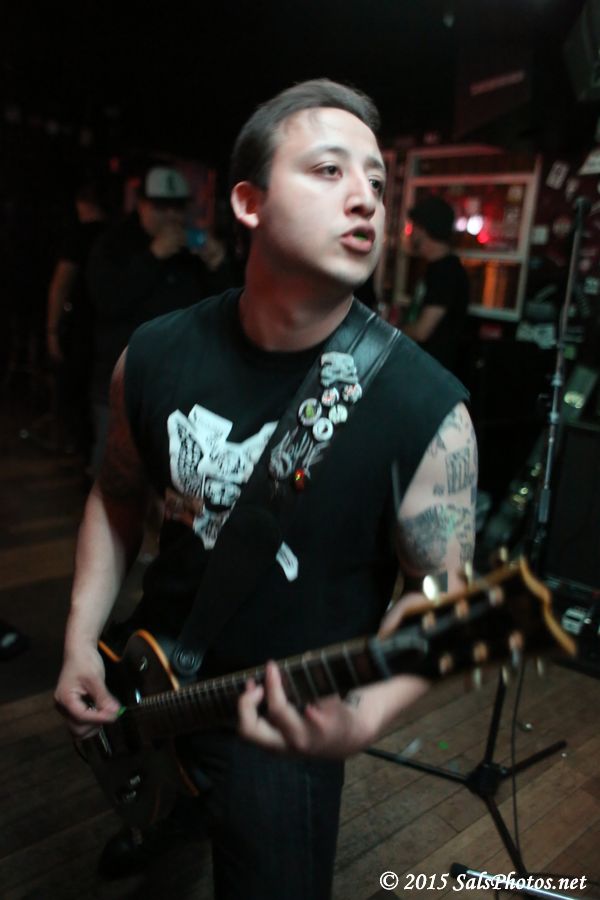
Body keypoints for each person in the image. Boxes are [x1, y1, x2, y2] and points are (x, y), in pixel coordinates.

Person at [54, 79, 477, 899]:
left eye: (378, 181)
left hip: (284, 731)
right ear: (248, 203)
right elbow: (116, 495)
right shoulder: (154, 354)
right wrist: (79, 640)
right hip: (154, 673)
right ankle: (166, 813)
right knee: (166, 815)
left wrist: (365, 715)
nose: (366, 198)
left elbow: (443, 598)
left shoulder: (427, 411)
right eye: (328, 170)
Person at [86, 165, 206, 473]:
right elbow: (107, 301)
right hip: (122, 377)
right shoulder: (113, 243)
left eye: (177, 207)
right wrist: (153, 257)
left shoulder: (190, 248)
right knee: (113, 464)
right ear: (141, 204)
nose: (171, 216)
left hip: (178, 381)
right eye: (160, 207)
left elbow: (213, 305)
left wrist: (218, 264)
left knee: (167, 466)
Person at [46, 183, 109, 459]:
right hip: (103, 327)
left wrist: (52, 330)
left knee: (77, 392)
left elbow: (61, 283)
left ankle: (81, 453)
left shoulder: (79, 236)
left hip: (82, 327)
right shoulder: (114, 234)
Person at [400, 194, 470, 375]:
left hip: (432, 375)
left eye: (414, 227)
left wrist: (391, 330)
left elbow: (422, 331)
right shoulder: (436, 268)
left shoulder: (446, 272)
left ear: (424, 230)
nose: (411, 232)